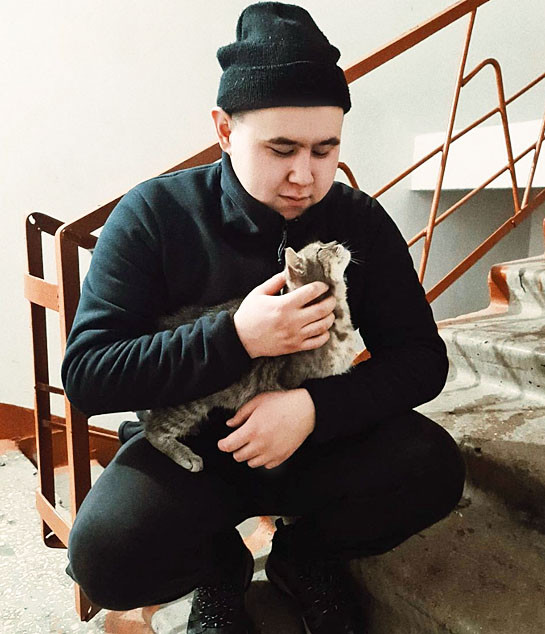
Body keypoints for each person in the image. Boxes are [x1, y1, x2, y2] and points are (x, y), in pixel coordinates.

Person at [61, 3, 465, 633]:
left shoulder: (357, 219)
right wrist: (236, 337)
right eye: (281, 149)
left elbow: (420, 359)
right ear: (224, 131)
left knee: (433, 468)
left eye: (326, 149)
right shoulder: (155, 213)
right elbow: (88, 376)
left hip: (314, 444)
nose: (305, 176)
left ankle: (304, 557)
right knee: (105, 557)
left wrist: (312, 410)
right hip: (195, 451)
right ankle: (220, 566)